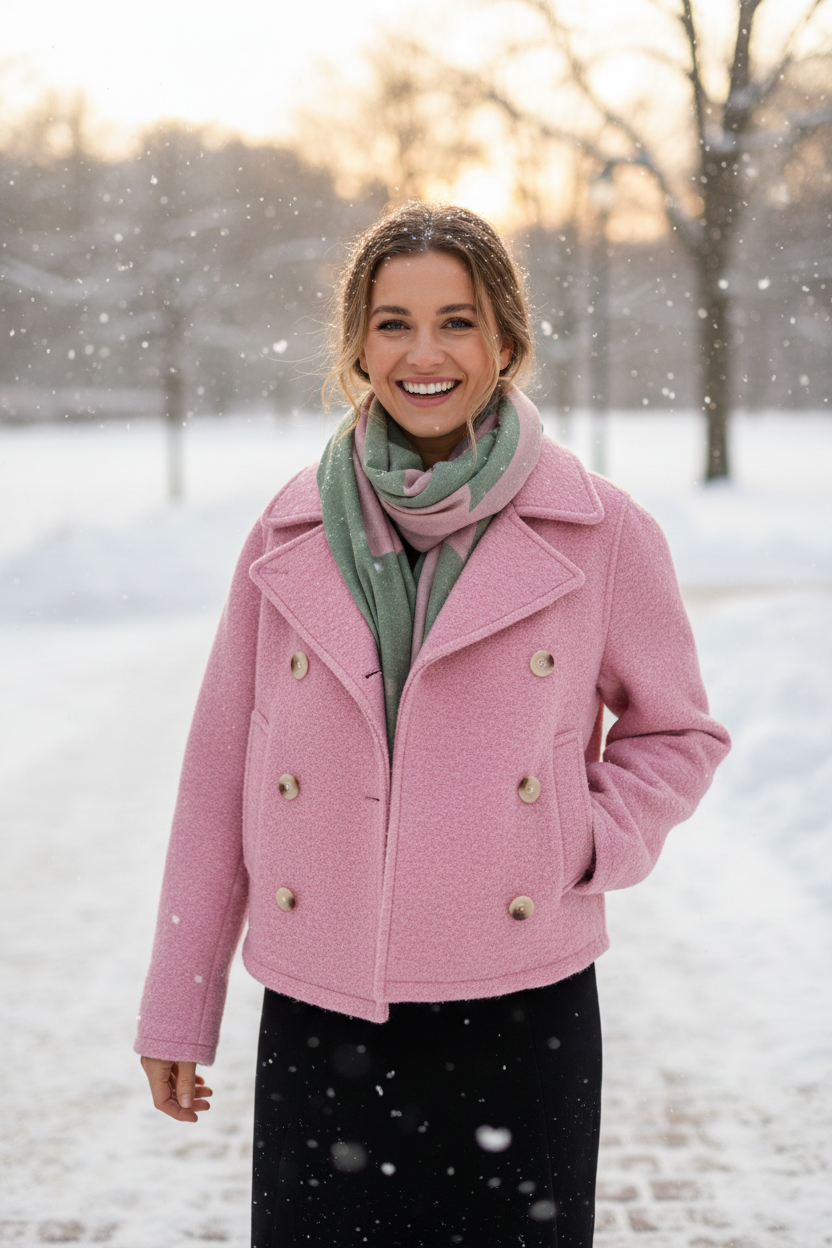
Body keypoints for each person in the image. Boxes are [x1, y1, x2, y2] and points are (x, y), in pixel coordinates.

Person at [136, 201, 730, 1247]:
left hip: (521, 1007)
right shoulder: (287, 530)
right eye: (393, 323)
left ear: (506, 341)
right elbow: (220, 774)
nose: (424, 354)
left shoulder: (601, 530)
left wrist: (580, 838)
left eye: (457, 322)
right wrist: (179, 1006)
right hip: (323, 1008)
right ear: (357, 346)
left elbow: (677, 733)